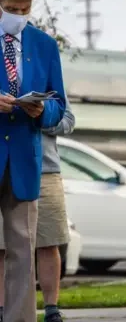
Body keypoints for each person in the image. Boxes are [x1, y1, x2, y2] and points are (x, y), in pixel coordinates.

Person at [0, 0, 66, 322]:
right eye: (13, 8)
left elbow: (61, 106)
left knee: (23, 253)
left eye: (26, 9)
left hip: (26, 160)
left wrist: (42, 111)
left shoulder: (44, 45)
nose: (20, 15)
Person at [0, 93, 74, 322]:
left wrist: (41, 115)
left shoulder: (46, 77)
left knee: (49, 241)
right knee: (1, 246)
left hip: (45, 169)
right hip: (5, 168)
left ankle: (51, 309)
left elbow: (68, 121)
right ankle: (2, 309)